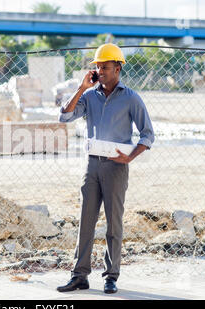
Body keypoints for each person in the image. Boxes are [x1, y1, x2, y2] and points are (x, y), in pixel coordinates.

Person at [56, 43, 154, 294]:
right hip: (92, 165)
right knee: (85, 221)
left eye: (105, 67)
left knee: (113, 224)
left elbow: (147, 134)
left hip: (116, 167)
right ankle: (80, 275)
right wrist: (81, 87)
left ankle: (111, 276)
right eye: (97, 66)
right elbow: (65, 116)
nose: (100, 70)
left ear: (118, 68)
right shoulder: (89, 96)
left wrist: (131, 156)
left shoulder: (131, 98)